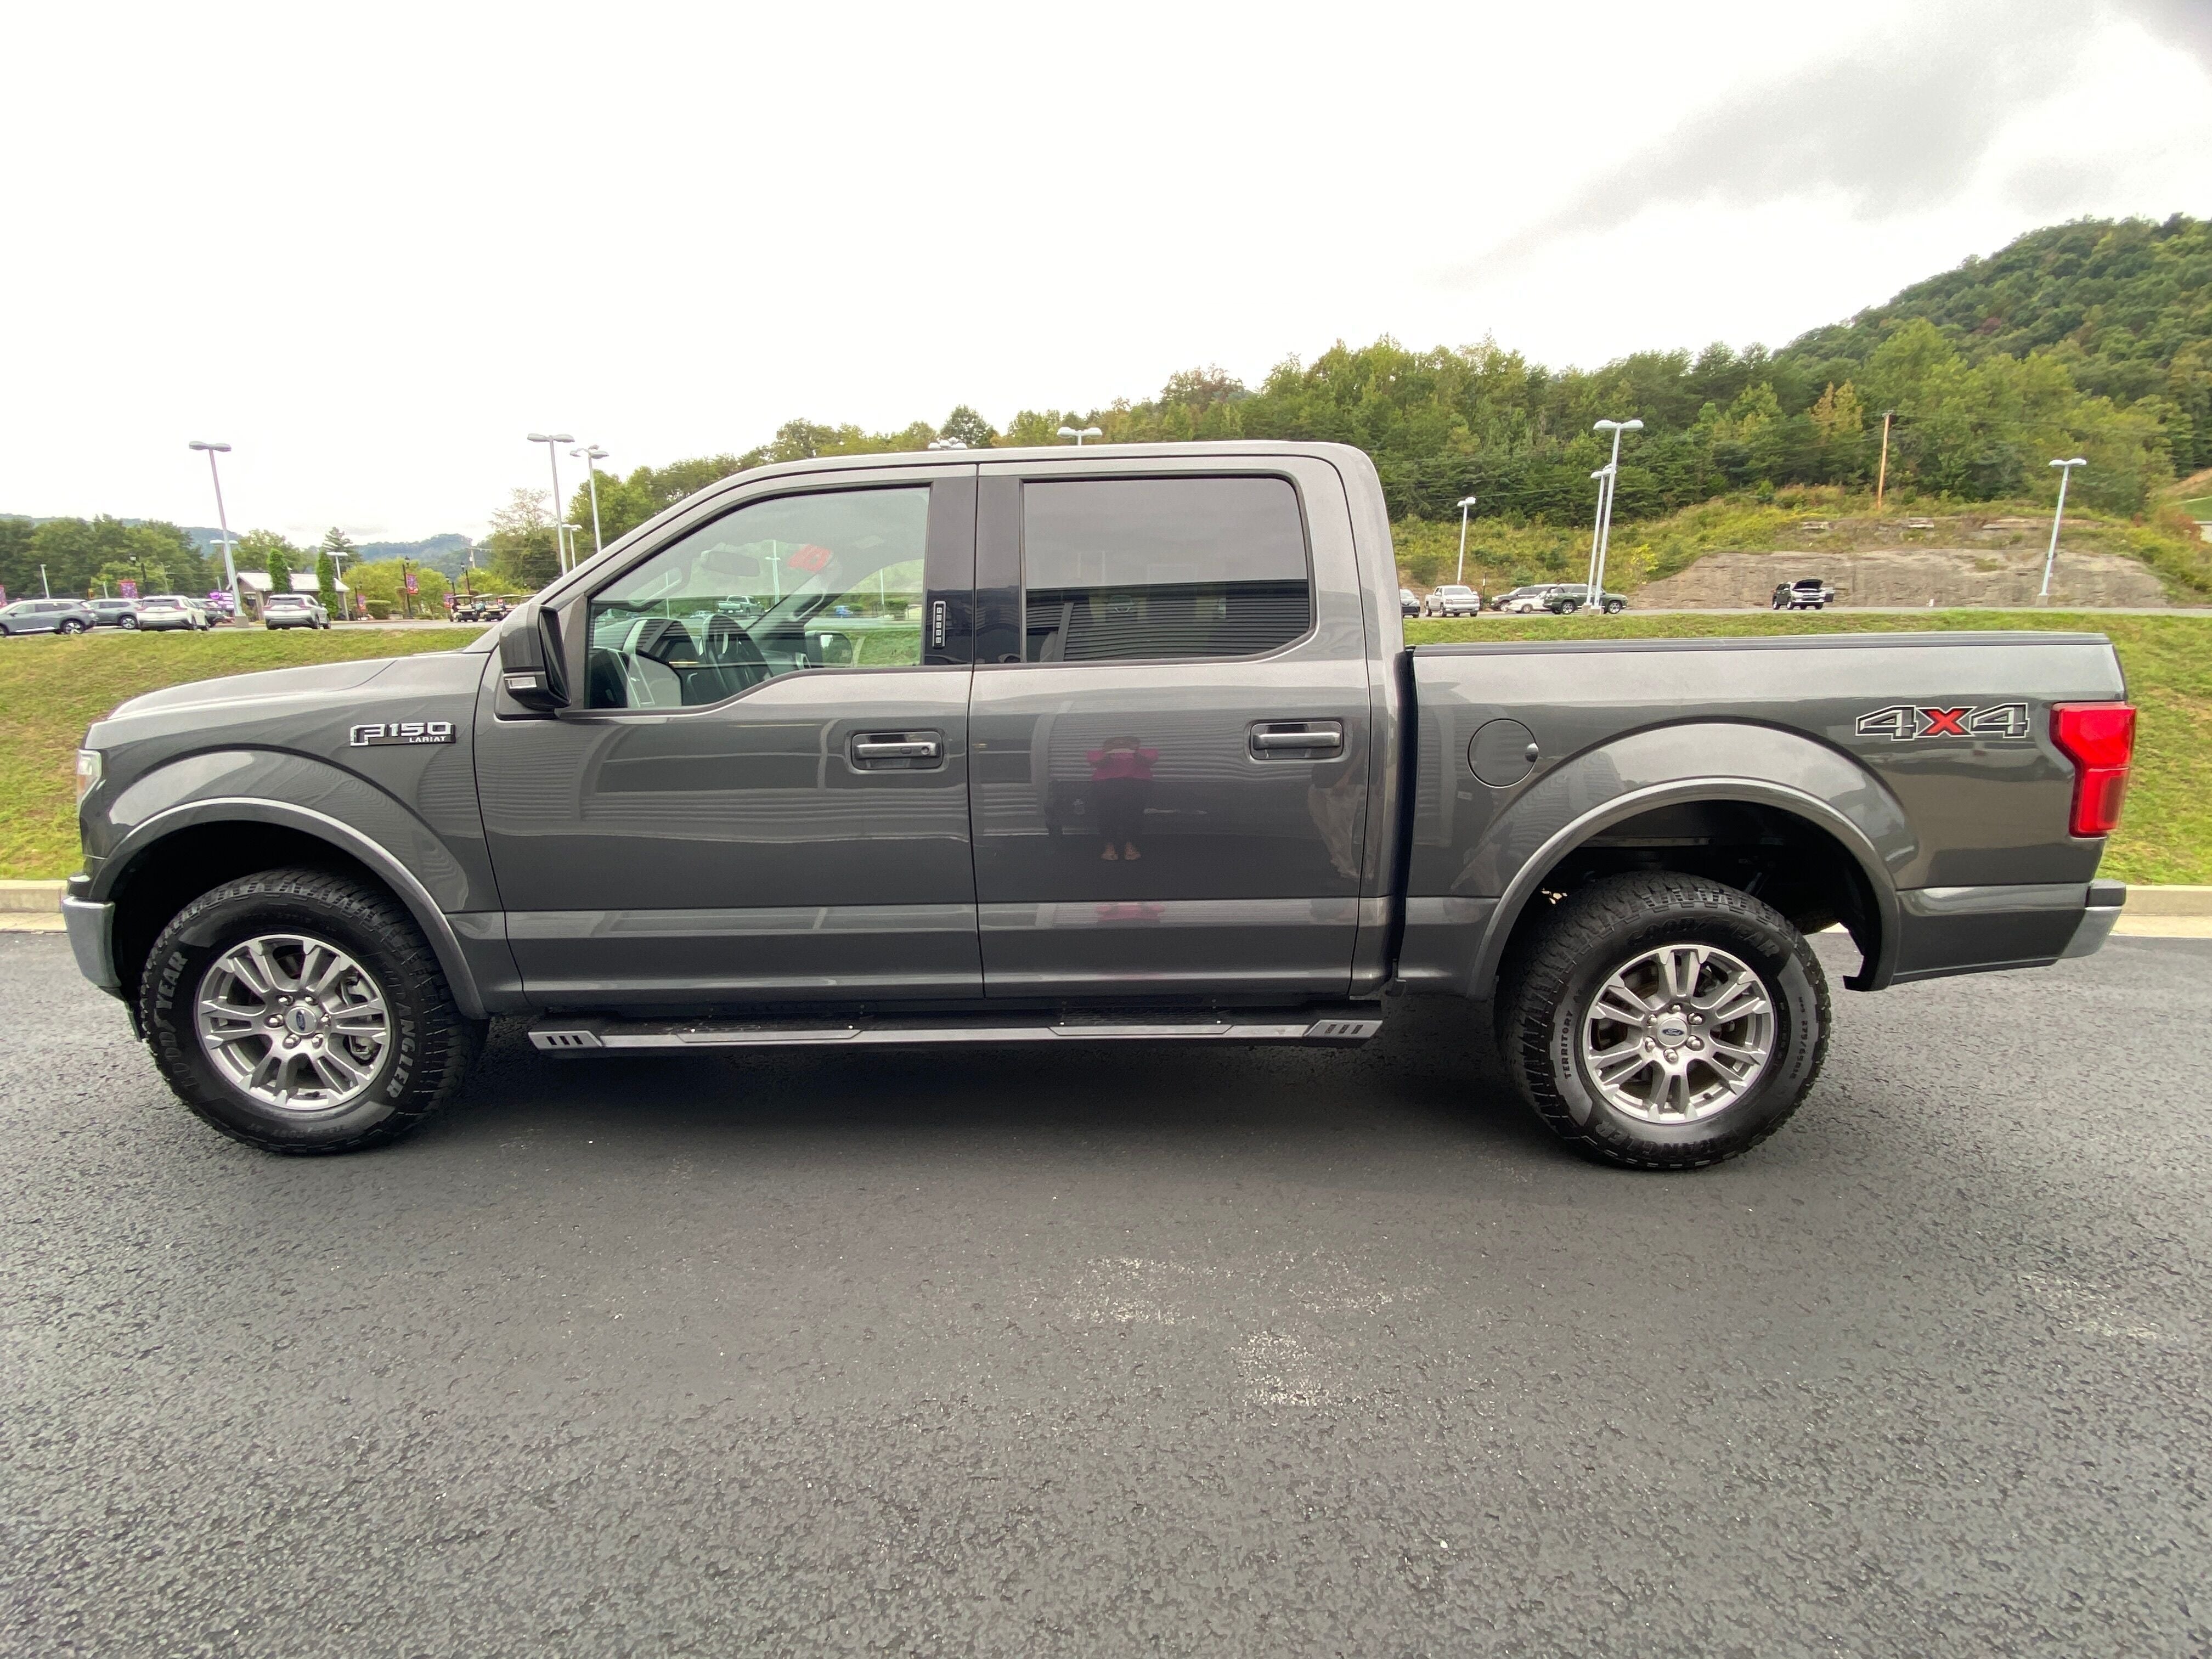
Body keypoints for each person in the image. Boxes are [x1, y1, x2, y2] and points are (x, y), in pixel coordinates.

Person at [1086, 734, 1158, 861]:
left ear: (1138, 743)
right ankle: (1109, 845)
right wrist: (1109, 753)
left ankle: (1130, 844)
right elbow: (1100, 764)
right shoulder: (1097, 753)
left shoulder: (1146, 752)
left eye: (1126, 742)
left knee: (1133, 814)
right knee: (1106, 814)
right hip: (1106, 786)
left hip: (1136, 786)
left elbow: (1148, 762)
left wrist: (1134, 752)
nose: (1120, 744)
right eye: (1115, 742)